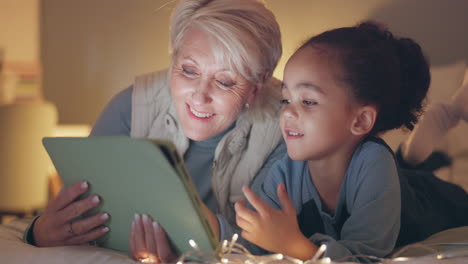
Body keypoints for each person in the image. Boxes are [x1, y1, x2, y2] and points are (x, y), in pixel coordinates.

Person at [23, 0, 286, 262]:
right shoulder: (131, 106)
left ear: (257, 84)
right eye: (188, 70)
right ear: (174, 59)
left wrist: (197, 240)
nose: (199, 96)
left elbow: (276, 247)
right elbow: (73, 214)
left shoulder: (284, 128)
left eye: (225, 81)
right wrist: (40, 233)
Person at [210, 21, 467, 261]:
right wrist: (210, 225)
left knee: (429, 187)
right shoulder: (282, 172)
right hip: (394, 179)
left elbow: (365, 257)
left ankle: (437, 130)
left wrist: (295, 245)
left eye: (308, 101)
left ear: (360, 121)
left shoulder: (374, 164)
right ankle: (413, 157)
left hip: (429, 202)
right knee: (407, 169)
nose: (287, 112)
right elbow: (253, 242)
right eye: (285, 99)